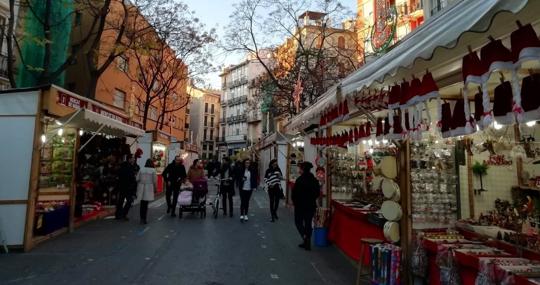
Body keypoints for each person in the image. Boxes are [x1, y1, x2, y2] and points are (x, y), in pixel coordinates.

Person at [292, 161, 320, 251]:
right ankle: (307, 240)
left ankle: (305, 238)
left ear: (302, 169)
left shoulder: (299, 180)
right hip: (311, 205)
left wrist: (295, 203)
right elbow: (317, 193)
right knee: (308, 222)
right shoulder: (314, 180)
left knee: (298, 222)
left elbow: (294, 194)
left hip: (300, 205)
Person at [115, 155, 138, 221]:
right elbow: (132, 178)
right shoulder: (130, 167)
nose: (133, 160)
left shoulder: (122, 166)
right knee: (129, 201)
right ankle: (123, 214)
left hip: (122, 186)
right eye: (132, 158)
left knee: (121, 201)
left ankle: (118, 214)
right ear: (129, 159)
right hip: (128, 187)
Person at [137, 159, 157, 224]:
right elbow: (154, 181)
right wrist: (155, 188)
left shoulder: (141, 169)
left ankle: (141, 218)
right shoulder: (153, 170)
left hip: (141, 186)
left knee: (142, 203)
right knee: (145, 204)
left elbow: (137, 178)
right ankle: (144, 219)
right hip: (149, 187)